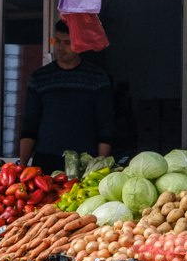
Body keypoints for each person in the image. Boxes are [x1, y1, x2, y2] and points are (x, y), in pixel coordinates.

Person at [17, 19, 114, 172]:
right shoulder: (39, 78)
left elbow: (105, 124)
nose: (60, 48)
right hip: (45, 160)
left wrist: (100, 165)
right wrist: (22, 165)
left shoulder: (97, 78)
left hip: (85, 160)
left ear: (80, 45)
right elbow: (30, 123)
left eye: (67, 43)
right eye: (57, 41)